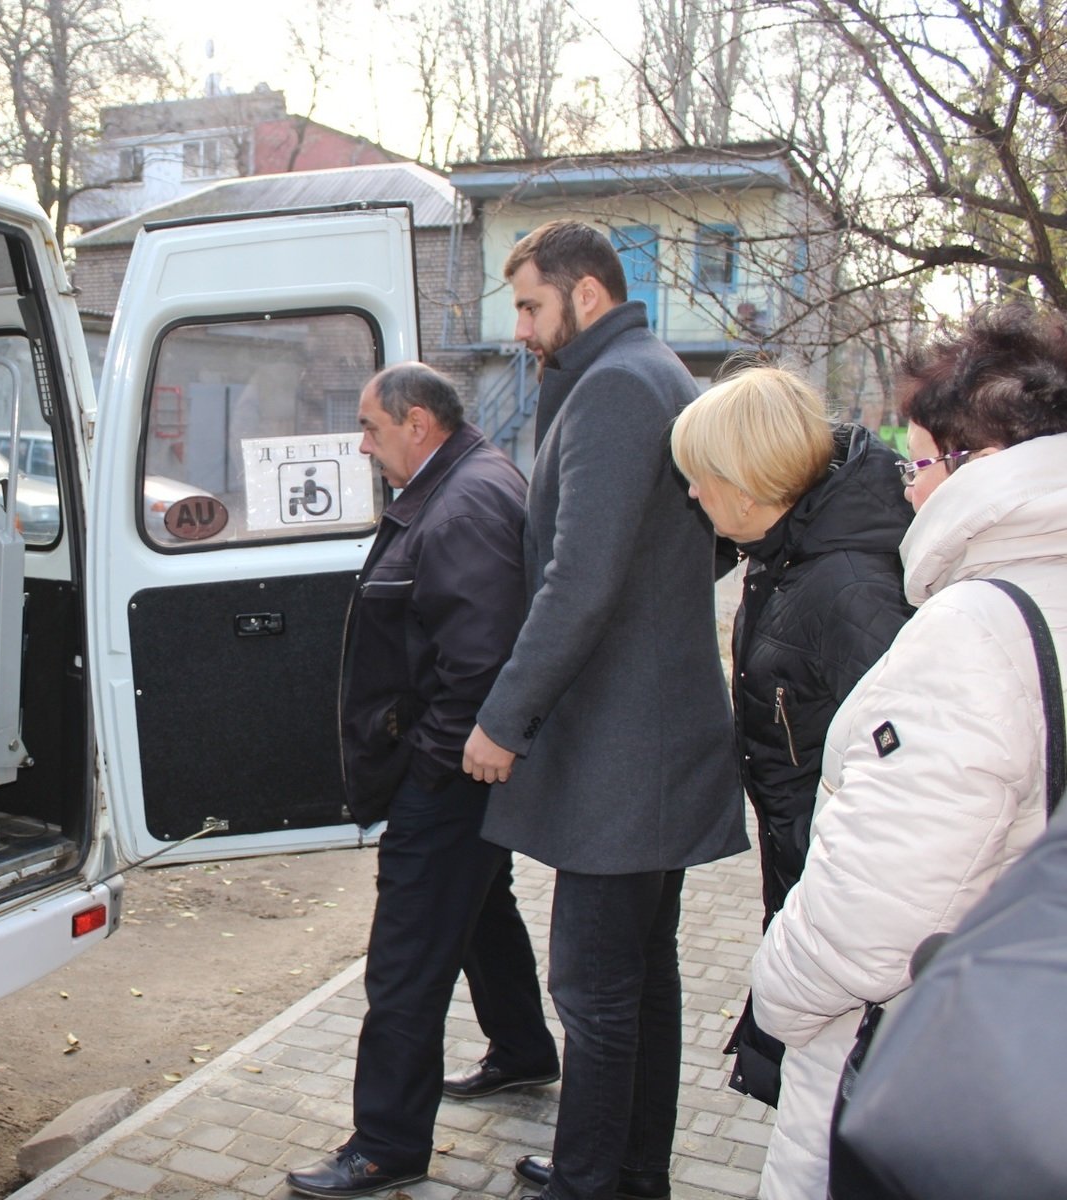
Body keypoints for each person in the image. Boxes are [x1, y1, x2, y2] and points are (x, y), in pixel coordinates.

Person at [750, 301, 1067, 1199]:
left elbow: (874, 919)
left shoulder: (973, 629)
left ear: (984, 462)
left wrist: (775, 986)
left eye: (922, 459)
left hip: (915, 1043)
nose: (907, 485)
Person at [461, 220, 749, 1200]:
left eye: (533, 307)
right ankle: (627, 1167)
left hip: (628, 755)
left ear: (586, 295)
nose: (522, 330)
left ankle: (593, 1180)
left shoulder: (619, 387)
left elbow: (577, 581)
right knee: (636, 983)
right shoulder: (650, 371)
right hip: (648, 743)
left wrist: (503, 720)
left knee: (593, 989)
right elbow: (689, 551)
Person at [285, 362, 556, 1198]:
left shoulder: (465, 502)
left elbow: (480, 663)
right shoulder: (464, 477)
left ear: (416, 424)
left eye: (369, 428)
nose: (364, 446)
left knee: (404, 961)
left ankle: (386, 1144)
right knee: (480, 905)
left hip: (450, 776)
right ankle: (522, 1050)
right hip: (462, 775)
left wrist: (429, 771)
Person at [671, 367, 914, 923]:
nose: (692, 492)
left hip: (842, 906)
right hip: (804, 878)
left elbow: (901, 790)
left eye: (699, 475)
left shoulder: (851, 591)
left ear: (744, 483)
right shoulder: (782, 554)